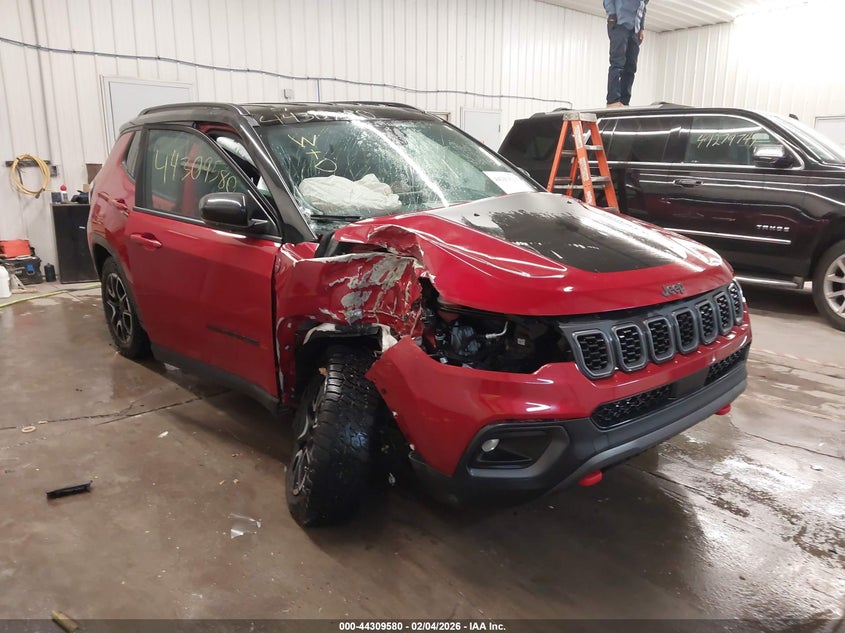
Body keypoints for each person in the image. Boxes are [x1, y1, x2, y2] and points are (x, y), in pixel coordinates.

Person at [604, 0, 648, 107]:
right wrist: (612, 15)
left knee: (631, 67)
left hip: (635, 28)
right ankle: (613, 100)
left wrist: (641, 27)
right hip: (619, 23)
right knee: (618, 63)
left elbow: (643, 7)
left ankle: (624, 101)